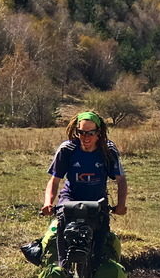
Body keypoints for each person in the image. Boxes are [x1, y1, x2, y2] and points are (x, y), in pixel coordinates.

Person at [41, 111, 127, 263]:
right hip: (71, 197)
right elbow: (54, 181)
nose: (86, 137)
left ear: (99, 133)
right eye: (81, 133)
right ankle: (63, 267)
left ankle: (97, 266)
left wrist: (120, 206)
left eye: (90, 133)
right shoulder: (67, 149)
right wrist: (48, 203)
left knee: (101, 236)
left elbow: (121, 180)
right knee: (62, 226)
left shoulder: (108, 150)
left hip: (97, 199)